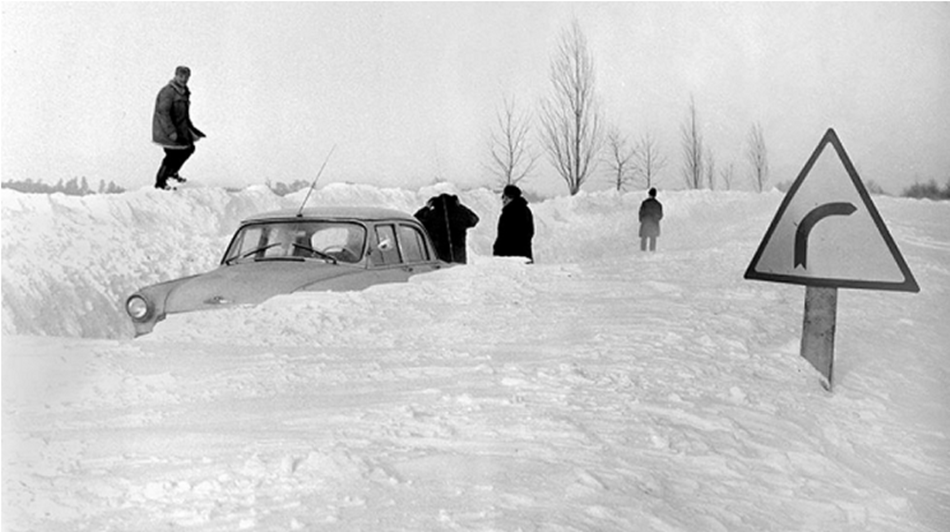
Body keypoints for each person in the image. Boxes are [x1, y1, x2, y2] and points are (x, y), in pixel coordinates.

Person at [152, 66, 205, 190]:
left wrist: (191, 129)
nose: (184, 79)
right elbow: (163, 113)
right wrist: (171, 132)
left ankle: (172, 174)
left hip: (180, 128)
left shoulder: (184, 91)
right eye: (181, 76)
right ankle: (160, 183)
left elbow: (184, 114)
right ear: (175, 75)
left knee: (188, 148)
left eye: (186, 77)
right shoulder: (168, 91)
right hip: (166, 129)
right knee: (172, 154)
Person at [414, 193, 480, 264]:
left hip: (438, 258)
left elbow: (416, 220)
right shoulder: (460, 215)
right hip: (459, 258)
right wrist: (460, 206)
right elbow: (474, 219)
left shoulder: (431, 215)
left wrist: (426, 208)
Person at [493, 184, 534, 262]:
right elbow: (530, 233)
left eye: (504, 197)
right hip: (524, 256)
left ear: (510, 198)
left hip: (510, 257)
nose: (503, 200)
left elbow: (504, 236)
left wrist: (498, 251)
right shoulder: (526, 211)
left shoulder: (509, 213)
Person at [638, 187, 663, 252]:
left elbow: (641, 212)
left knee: (644, 238)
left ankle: (643, 251)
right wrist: (656, 219)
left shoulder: (645, 203)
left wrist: (642, 220)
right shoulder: (658, 204)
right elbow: (660, 215)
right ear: (655, 195)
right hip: (654, 223)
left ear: (649, 194)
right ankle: (652, 251)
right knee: (653, 238)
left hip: (645, 222)